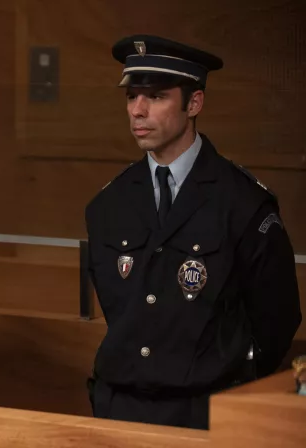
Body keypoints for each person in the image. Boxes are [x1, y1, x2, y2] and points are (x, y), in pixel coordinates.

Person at [85, 35, 302, 429]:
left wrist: (228, 378)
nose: (138, 110)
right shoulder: (108, 205)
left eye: (156, 96)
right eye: (132, 96)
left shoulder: (244, 203)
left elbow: (277, 320)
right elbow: (121, 313)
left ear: (194, 103)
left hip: (206, 413)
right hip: (120, 409)